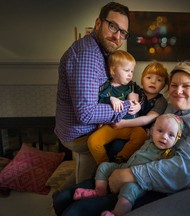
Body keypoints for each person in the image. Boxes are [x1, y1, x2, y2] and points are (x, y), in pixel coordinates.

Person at [52, 61, 190, 216]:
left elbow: (183, 168)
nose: (177, 91)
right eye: (174, 85)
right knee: (62, 199)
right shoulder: (170, 110)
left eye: (186, 86)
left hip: (166, 185)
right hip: (137, 165)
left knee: (75, 211)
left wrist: (127, 175)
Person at [54, 1, 132, 159]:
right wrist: (127, 107)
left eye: (123, 32)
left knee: (87, 175)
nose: (117, 36)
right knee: (132, 143)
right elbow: (86, 113)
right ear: (98, 23)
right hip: (80, 134)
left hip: (82, 129)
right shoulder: (88, 55)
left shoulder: (100, 51)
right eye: (112, 26)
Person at [74, 114, 184, 216]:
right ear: (152, 130)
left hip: (139, 181)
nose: (164, 137)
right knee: (103, 166)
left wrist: (185, 183)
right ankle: (100, 190)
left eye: (171, 135)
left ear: (177, 139)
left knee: (129, 189)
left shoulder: (170, 154)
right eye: (160, 131)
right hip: (125, 167)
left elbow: (173, 172)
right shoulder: (149, 140)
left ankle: (117, 213)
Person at [89, 61, 169, 165]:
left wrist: (123, 123)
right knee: (108, 145)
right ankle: (104, 165)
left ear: (164, 85)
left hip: (137, 130)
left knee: (120, 146)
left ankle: (119, 163)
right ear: (142, 79)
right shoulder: (133, 90)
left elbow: (147, 119)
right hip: (120, 125)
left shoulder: (161, 101)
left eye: (159, 80)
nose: (153, 82)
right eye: (149, 78)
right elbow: (116, 104)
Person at [87, 49, 145, 165]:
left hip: (130, 125)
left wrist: (139, 105)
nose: (130, 74)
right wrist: (111, 99)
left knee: (142, 135)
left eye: (132, 71)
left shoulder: (132, 86)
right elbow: (97, 101)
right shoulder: (105, 87)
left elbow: (143, 97)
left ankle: (121, 158)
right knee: (93, 142)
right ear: (113, 70)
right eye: (126, 70)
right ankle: (104, 164)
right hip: (111, 126)